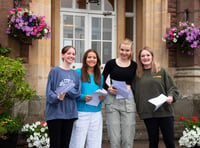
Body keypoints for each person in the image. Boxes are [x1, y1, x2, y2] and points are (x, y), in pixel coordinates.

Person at [132, 46, 179, 148]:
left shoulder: (161, 71)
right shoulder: (137, 74)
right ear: (139, 58)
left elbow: (173, 88)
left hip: (165, 111)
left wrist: (171, 97)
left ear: (152, 57)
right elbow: (131, 90)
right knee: (153, 142)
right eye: (142, 56)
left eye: (148, 55)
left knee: (169, 141)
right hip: (148, 113)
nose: (145, 58)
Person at [102, 38, 137, 148]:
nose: (124, 53)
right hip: (112, 100)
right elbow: (101, 80)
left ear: (131, 51)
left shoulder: (134, 65)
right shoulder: (111, 63)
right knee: (115, 138)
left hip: (128, 100)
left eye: (127, 50)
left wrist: (131, 86)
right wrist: (108, 88)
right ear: (119, 49)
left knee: (128, 138)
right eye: (122, 50)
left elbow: (138, 82)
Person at [45, 46, 81, 148]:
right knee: (55, 144)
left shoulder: (75, 74)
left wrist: (66, 90)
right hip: (55, 114)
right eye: (69, 53)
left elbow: (78, 92)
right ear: (63, 55)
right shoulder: (55, 71)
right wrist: (57, 98)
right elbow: (49, 92)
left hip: (69, 114)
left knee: (65, 144)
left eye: (73, 54)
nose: (71, 56)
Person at [70, 49, 106, 148]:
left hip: (96, 113)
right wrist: (82, 97)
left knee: (95, 143)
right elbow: (72, 91)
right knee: (77, 141)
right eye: (89, 57)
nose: (92, 59)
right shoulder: (77, 73)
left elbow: (100, 95)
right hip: (81, 112)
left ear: (97, 60)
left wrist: (102, 98)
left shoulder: (100, 76)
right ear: (85, 59)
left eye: (94, 57)